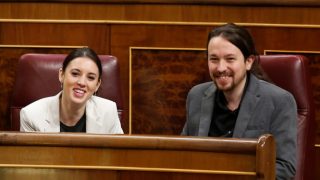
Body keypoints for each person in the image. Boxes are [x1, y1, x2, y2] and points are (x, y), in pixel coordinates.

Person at [181, 23, 297, 179]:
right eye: (214, 59)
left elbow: (284, 169)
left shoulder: (280, 101)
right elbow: (182, 156)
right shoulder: (196, 96)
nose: (221, 68)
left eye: (230, 59)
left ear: (248, 61)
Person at [20, 47, 123, 134]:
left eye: (90, 78)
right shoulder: (31, 115)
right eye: (75, 74)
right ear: (61, 75)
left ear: (97, 85)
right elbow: (32, 158)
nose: (82, 82)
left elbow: (118, 156)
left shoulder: (108, 112)